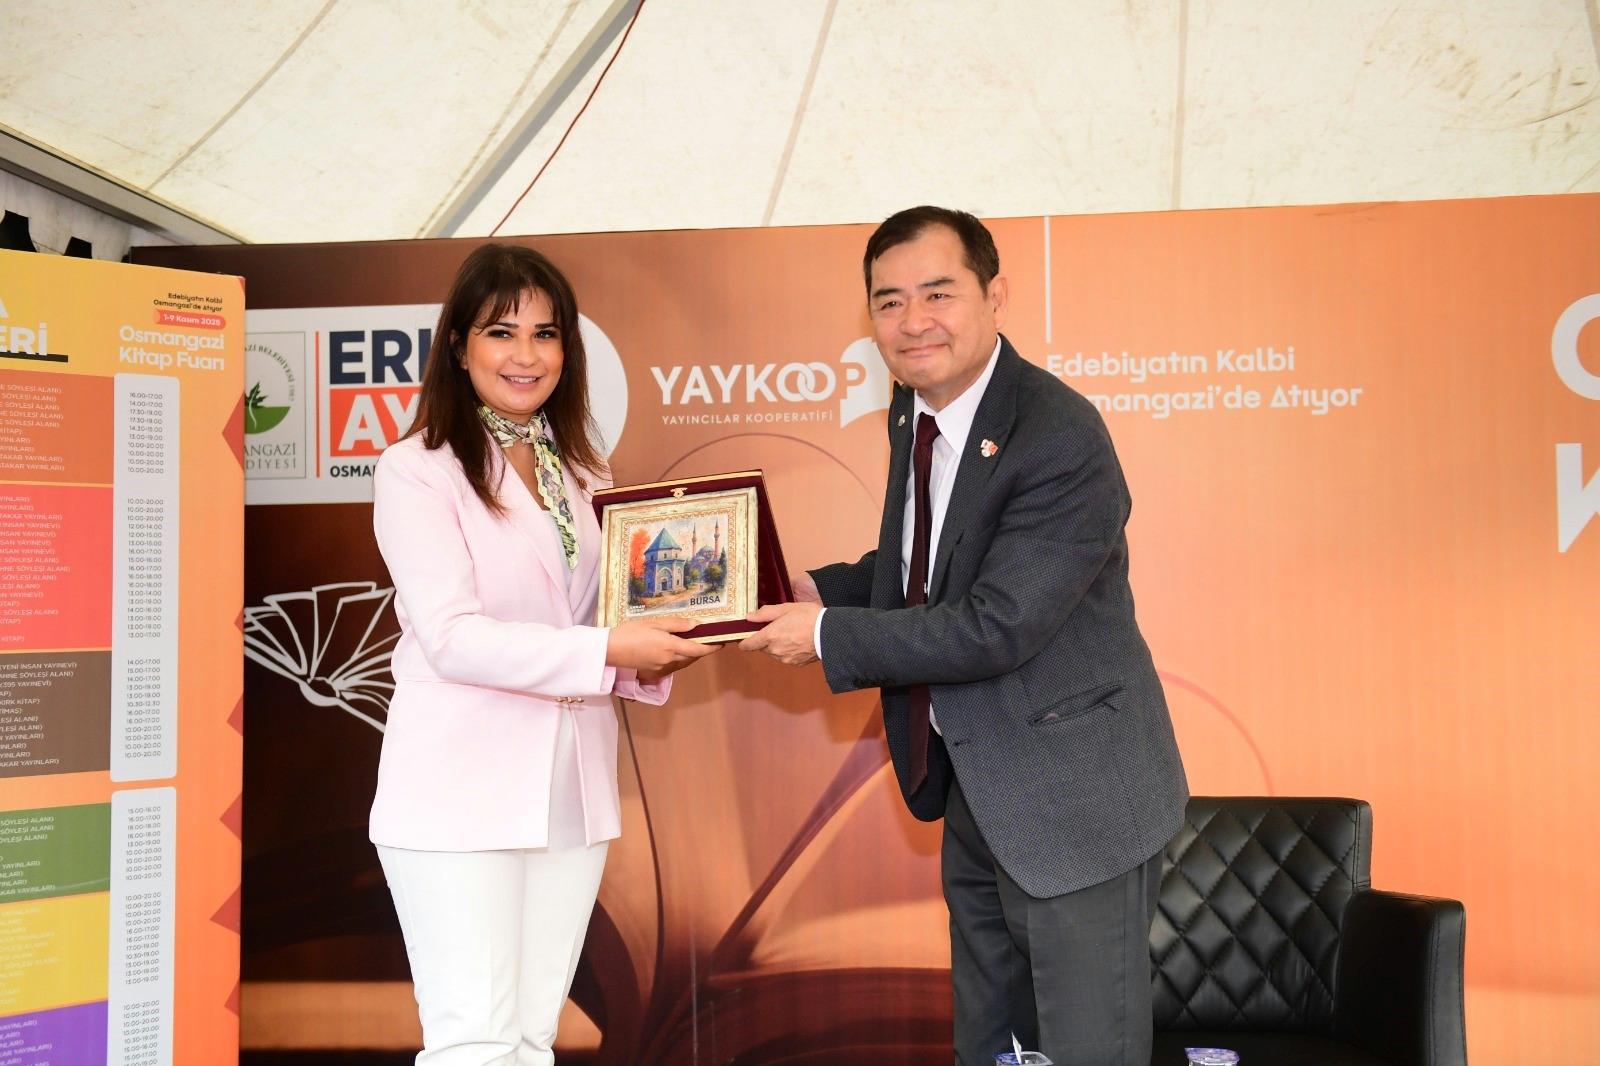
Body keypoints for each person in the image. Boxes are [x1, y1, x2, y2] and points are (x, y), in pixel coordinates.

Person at [742, 207, 1188, 1066]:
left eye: (938, 294)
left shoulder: (1058, 434)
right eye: (889, 302)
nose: (914, 322)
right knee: (989, 1049)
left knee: (1086, 1051)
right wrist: (817, 590)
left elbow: (997, 622)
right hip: (979, 789)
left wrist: (829, 635)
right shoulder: (914, 413)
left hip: (1073, 805)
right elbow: (930, 564)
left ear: (996, 297)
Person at [370, 243, 714, 1065]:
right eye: (502, 332)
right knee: (474, 1040)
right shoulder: (416, 470)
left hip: (571, 788)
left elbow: (598, 616)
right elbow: (451, 636)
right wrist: (608, 648)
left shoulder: (583, 472)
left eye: (546, 334)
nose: (526, 355)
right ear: (459, 346)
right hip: (458, 787)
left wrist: (656, 646)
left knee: (531, 1037)